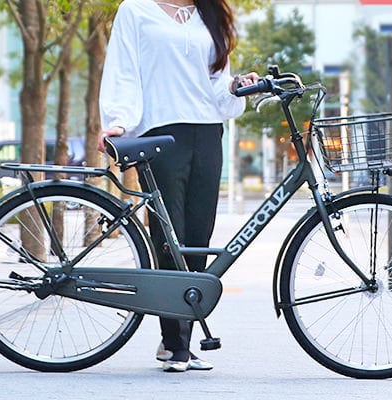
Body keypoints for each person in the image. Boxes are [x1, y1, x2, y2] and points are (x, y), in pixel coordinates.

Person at [98, 0, 259, 372]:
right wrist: (119, 121)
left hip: (208, 133)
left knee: (199, 237)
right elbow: (123, 70)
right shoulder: (136, 10)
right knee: (169, 237)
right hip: (160, 131)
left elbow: (216, 84)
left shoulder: (210, 14)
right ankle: (175, 344)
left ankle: (180, 337)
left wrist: (236, 86)